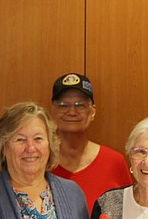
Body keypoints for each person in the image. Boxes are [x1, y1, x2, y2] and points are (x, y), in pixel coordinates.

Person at [49, 72, 132, 211]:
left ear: (92, 111)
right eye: (63, 105)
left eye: (80, 105)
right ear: (52, 111)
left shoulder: (114, 162)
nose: (71, 111)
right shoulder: (40, 162)